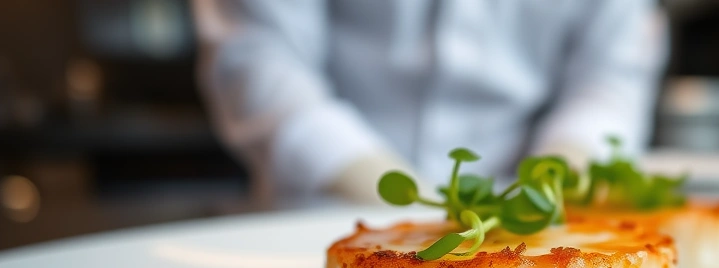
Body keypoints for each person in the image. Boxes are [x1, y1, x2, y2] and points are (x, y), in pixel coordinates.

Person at [191, 1, 667, 202]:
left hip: (526, 228)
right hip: (322, 208)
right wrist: (369, 180)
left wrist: (556, 179)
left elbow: (612, 76)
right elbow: (257, 54)